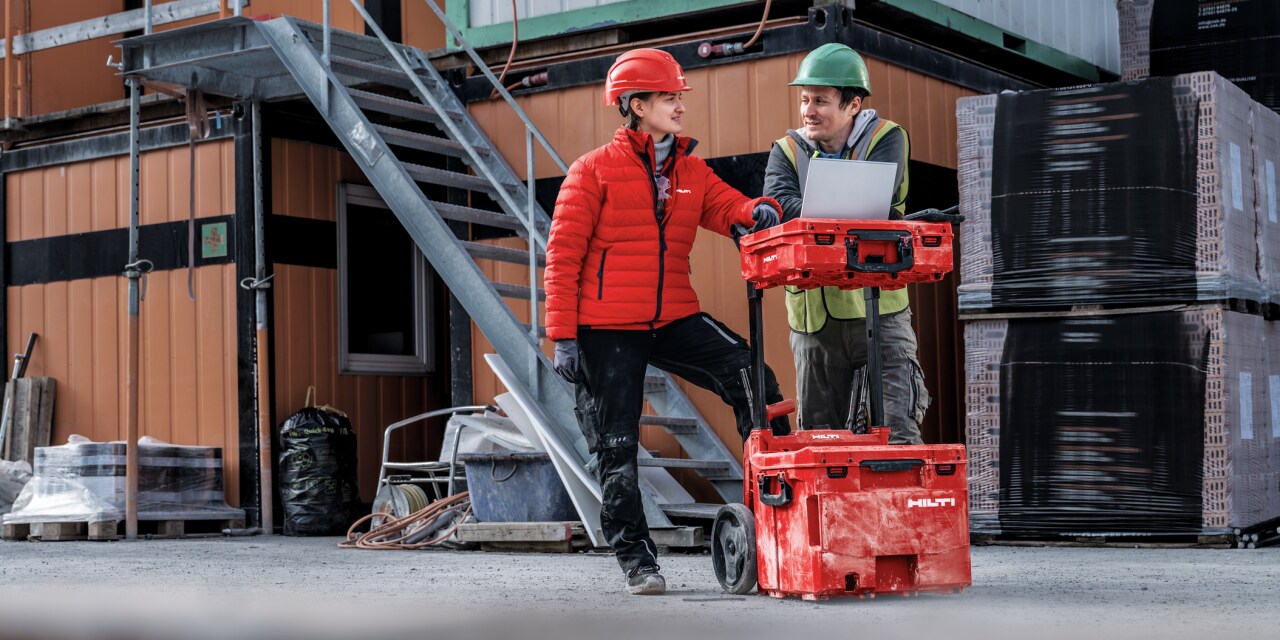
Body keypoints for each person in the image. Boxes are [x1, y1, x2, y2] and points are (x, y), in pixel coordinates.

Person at [543, 48, 787, 596]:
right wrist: (563, 335)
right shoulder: (593, 172)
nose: (679, 106)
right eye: (668, 98)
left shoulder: (690, 170)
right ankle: (637, 560)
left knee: (750, 372)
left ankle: (774, 503)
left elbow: (727, 206)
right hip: (606, 326)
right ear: (635, 105)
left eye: (679, 97)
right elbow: (562, 258)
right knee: (617, 445)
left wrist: (757, 211)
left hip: (672, 314)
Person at [762, 43, 930, 444]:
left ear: (853, 104)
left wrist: (813, 209)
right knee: (821, 441)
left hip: (881, 311)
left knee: (898, 434)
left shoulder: (888, 139)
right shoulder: (785, 151)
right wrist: (840, 205)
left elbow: (876, 201)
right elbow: (780, 205)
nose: (807, 110)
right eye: (804, 100)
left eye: (820, 100)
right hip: (813, 319)